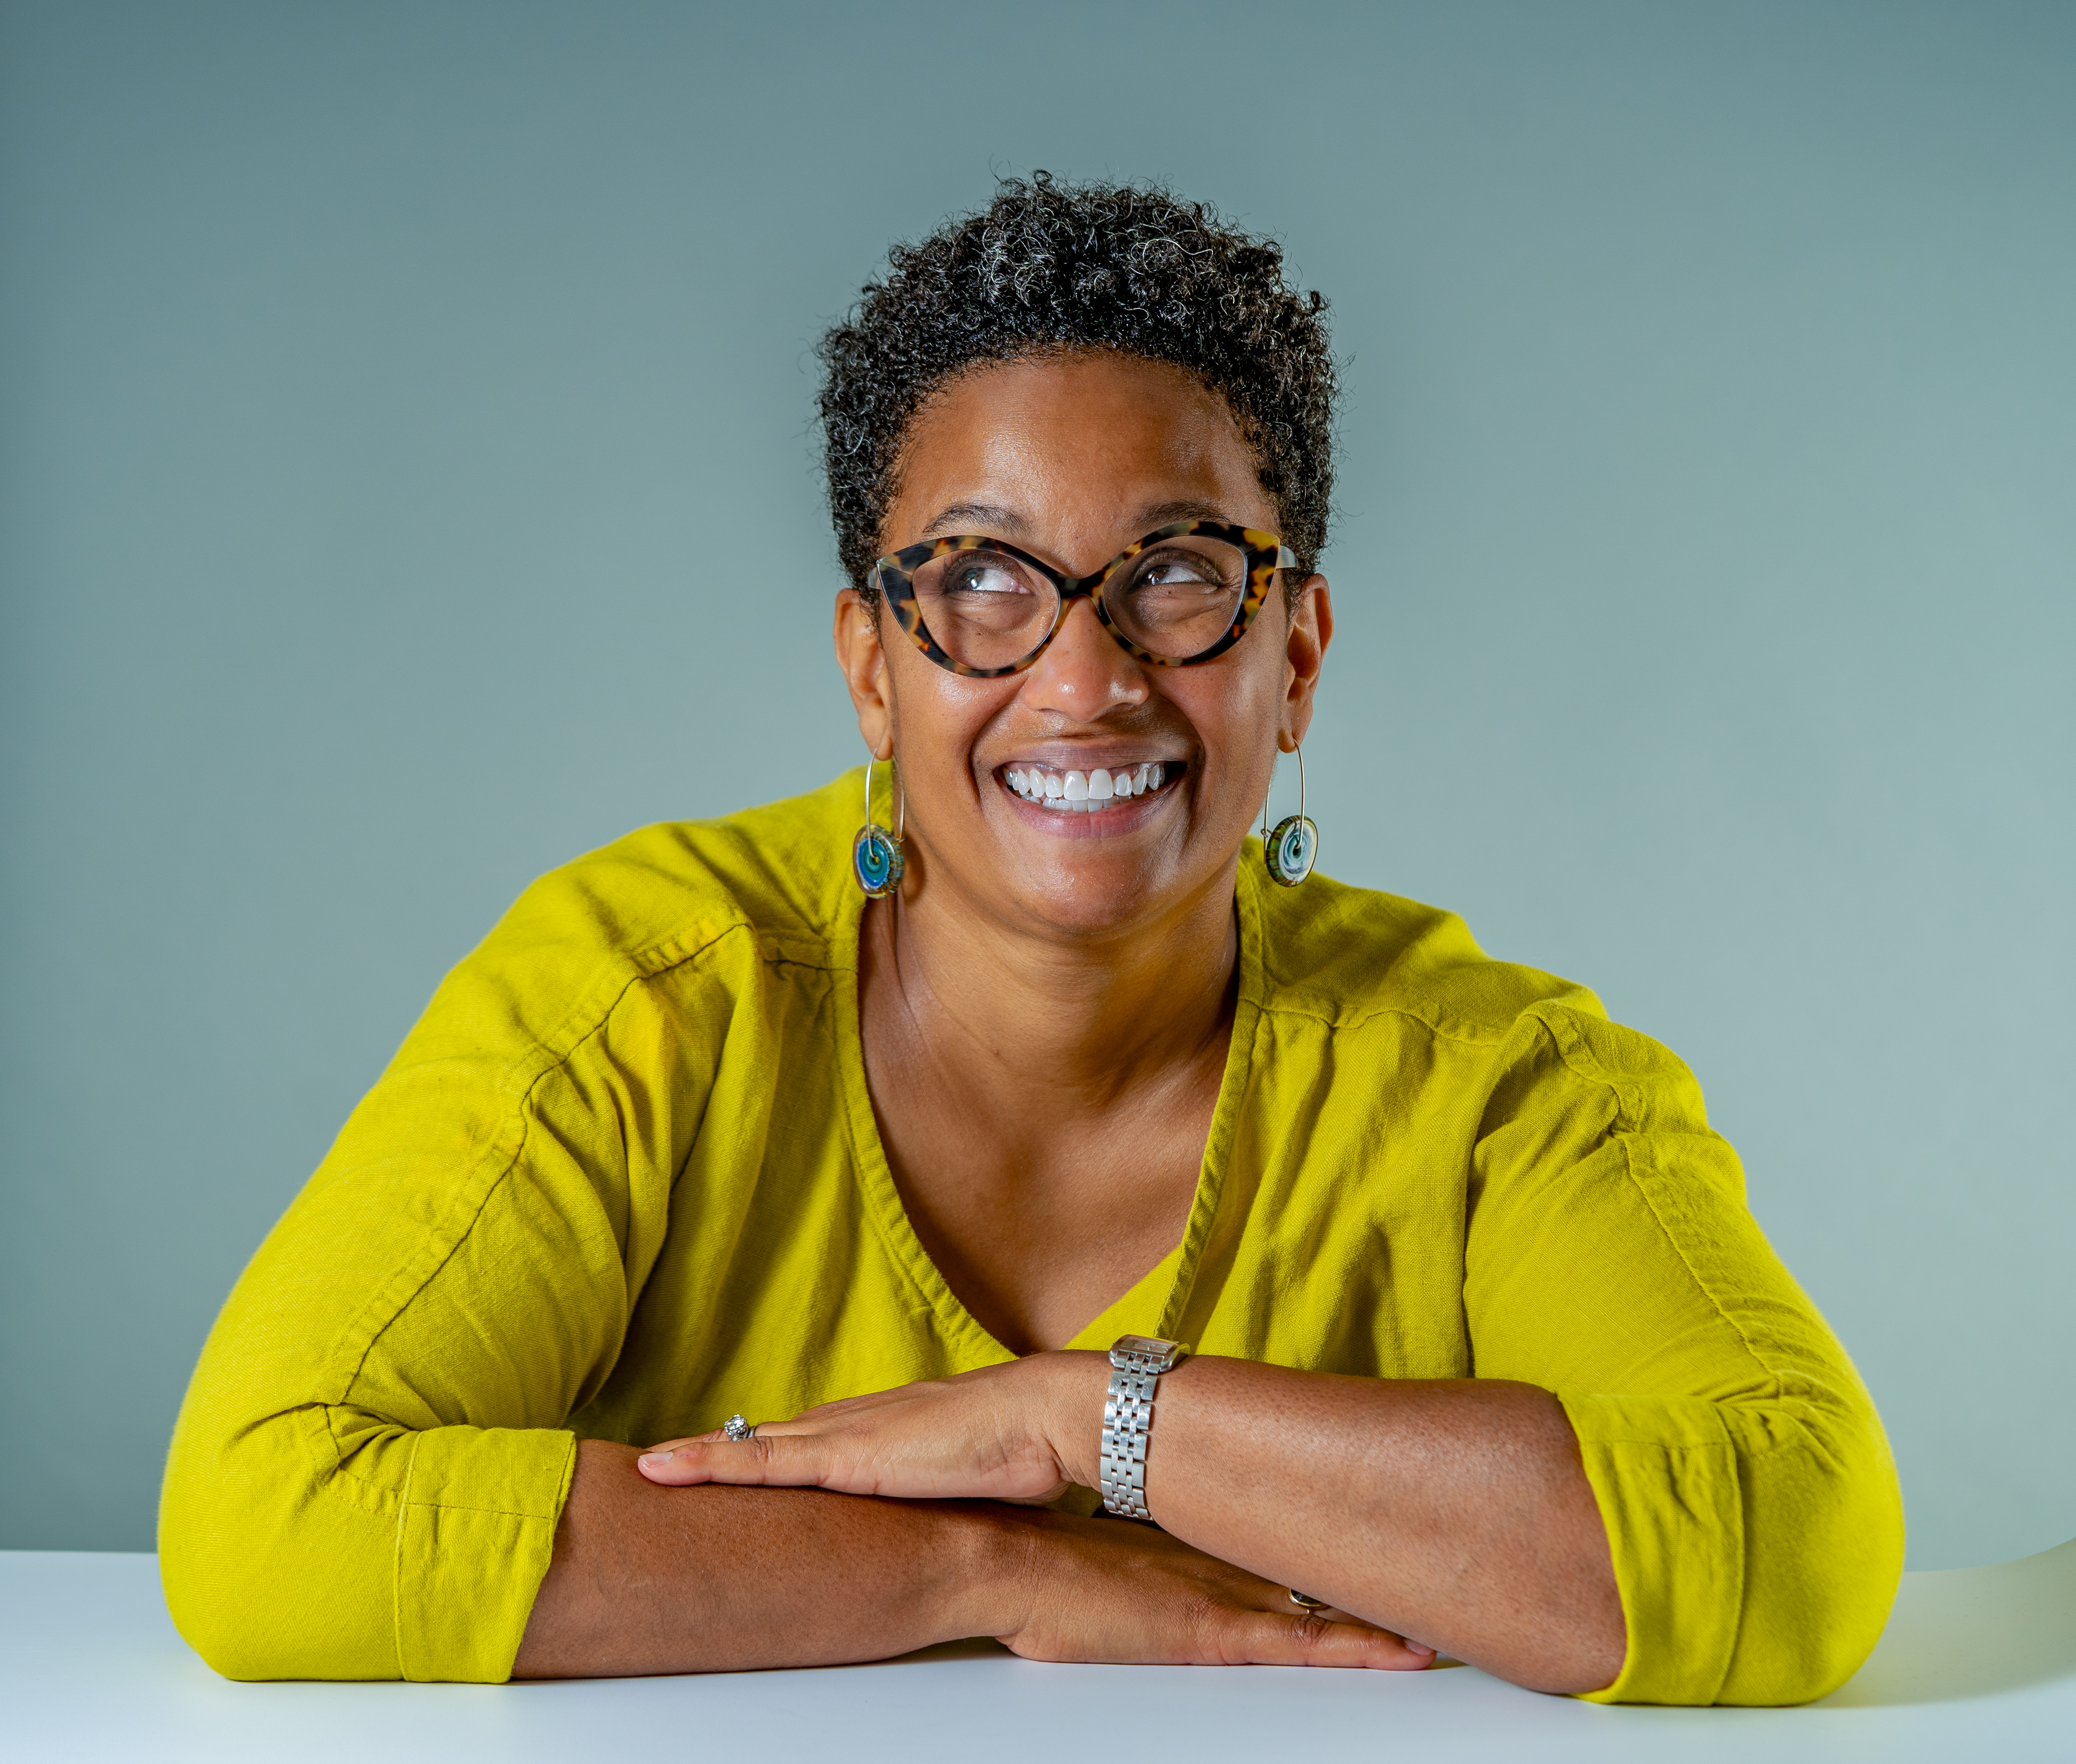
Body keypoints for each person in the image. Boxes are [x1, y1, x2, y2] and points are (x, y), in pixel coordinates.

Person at [159, 175, 1901, 1705]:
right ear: (871, 664)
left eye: (1179, 570)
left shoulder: (1493, 1085)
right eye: (982, 579)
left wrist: (1082, 1424)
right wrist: (984, 1570)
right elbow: (270, 1517)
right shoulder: (638, 996)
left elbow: (1797, 1541)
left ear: (1291, 659)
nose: (1084, 677)